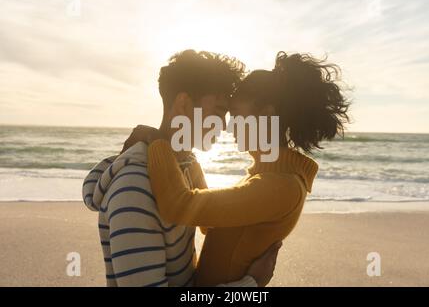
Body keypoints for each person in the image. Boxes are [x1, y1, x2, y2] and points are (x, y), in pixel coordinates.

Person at [127, 51, 350, 286]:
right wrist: (188, 160)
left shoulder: (280, 186)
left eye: (235, 115)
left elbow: (178, 206)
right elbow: (209, 221)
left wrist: (157, 140)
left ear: (266, 113)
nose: (227, 126)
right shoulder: (268, 177)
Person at [82, 50, 281, 287]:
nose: (225, 125)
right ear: (184, 104)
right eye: (218, 111)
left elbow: (210, 224)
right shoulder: (135, 188)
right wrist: (251, 285)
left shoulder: (182, 167)